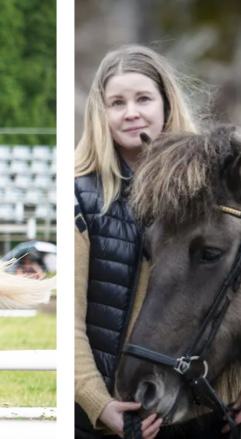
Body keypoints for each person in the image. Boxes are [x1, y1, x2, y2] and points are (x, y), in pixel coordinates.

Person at [74, 45, 214, 439]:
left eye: (143, 99)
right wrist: (100, 406)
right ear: (102, 114)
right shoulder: (80, 198)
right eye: (117, 102)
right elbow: (70, 324)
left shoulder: (210, 192)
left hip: (193, 414)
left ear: (166, 104)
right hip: (104, 418)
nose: (131, 112)